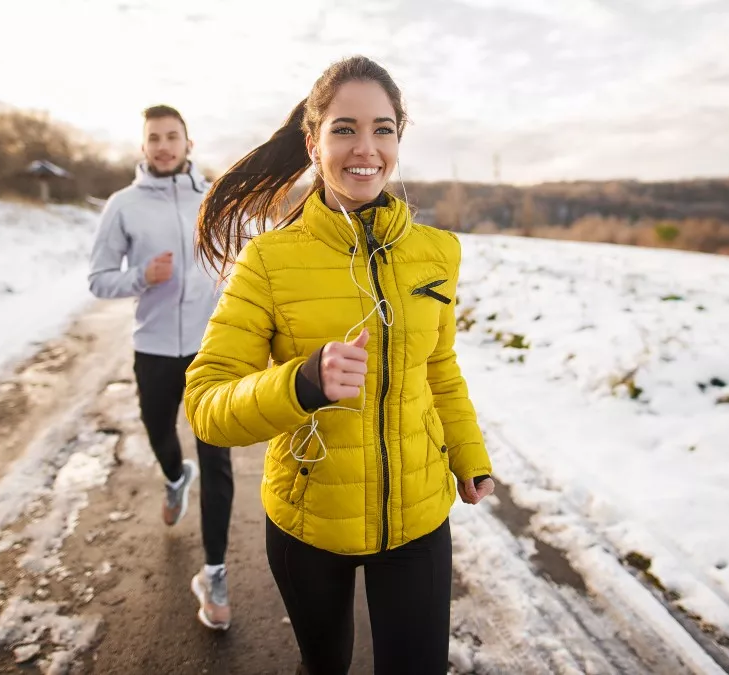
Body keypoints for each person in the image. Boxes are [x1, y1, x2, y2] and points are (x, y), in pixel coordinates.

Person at [184, 57, 496, 674]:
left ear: (398, 140)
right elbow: (206, 406)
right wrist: (301, 383)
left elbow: (440, 369)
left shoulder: (438, 253)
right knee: (324, 666)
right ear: (313, 141)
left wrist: (469, 455)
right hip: (310, 521)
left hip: (418, 517)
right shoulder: (268, 262)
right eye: (344, 128)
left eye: (383, 129)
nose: (366, 148)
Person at [88, 104, 234, 631]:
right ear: (144, 147)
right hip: (152, 347)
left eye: (173, 136)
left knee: (217, 461)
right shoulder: (122, 206)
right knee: (159, 434)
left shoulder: (214, 200)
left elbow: (234, 263)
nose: (164, 145)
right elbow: (100, 279)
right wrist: (142, 276)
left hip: (210, 351)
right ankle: (175, 478)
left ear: (188, 144)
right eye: (155, 137)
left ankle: (214, 574)